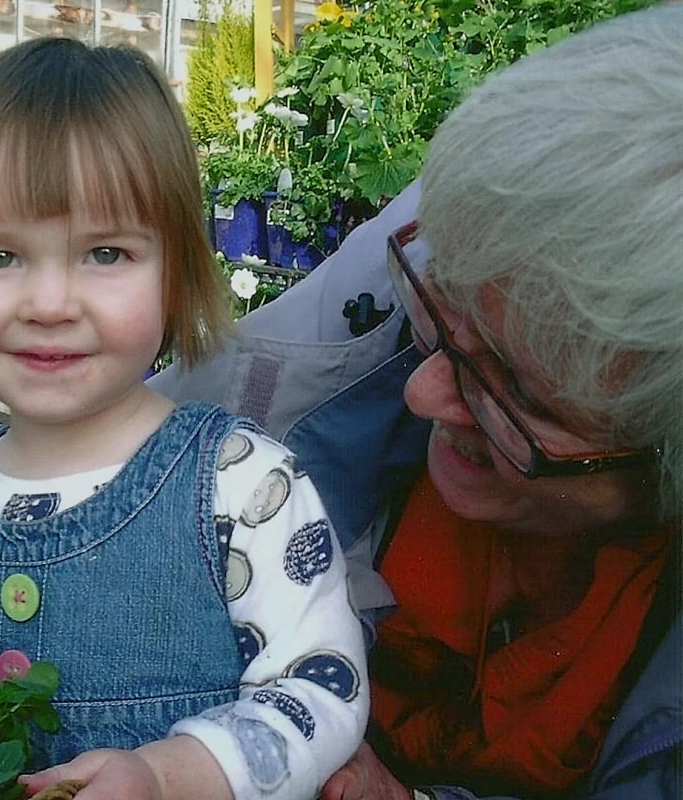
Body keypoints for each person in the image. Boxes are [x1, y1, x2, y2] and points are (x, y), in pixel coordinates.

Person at [0, 37, 368, 800]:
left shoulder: (241, 485)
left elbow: (318, 685)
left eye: (105, 253)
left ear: (176, 272)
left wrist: (171, 777)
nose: (49, 305)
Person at [152, 5, 682, 800]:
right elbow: (125, 468)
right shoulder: (420, 265)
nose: (422, 391)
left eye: (517, 393)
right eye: (441, 314)